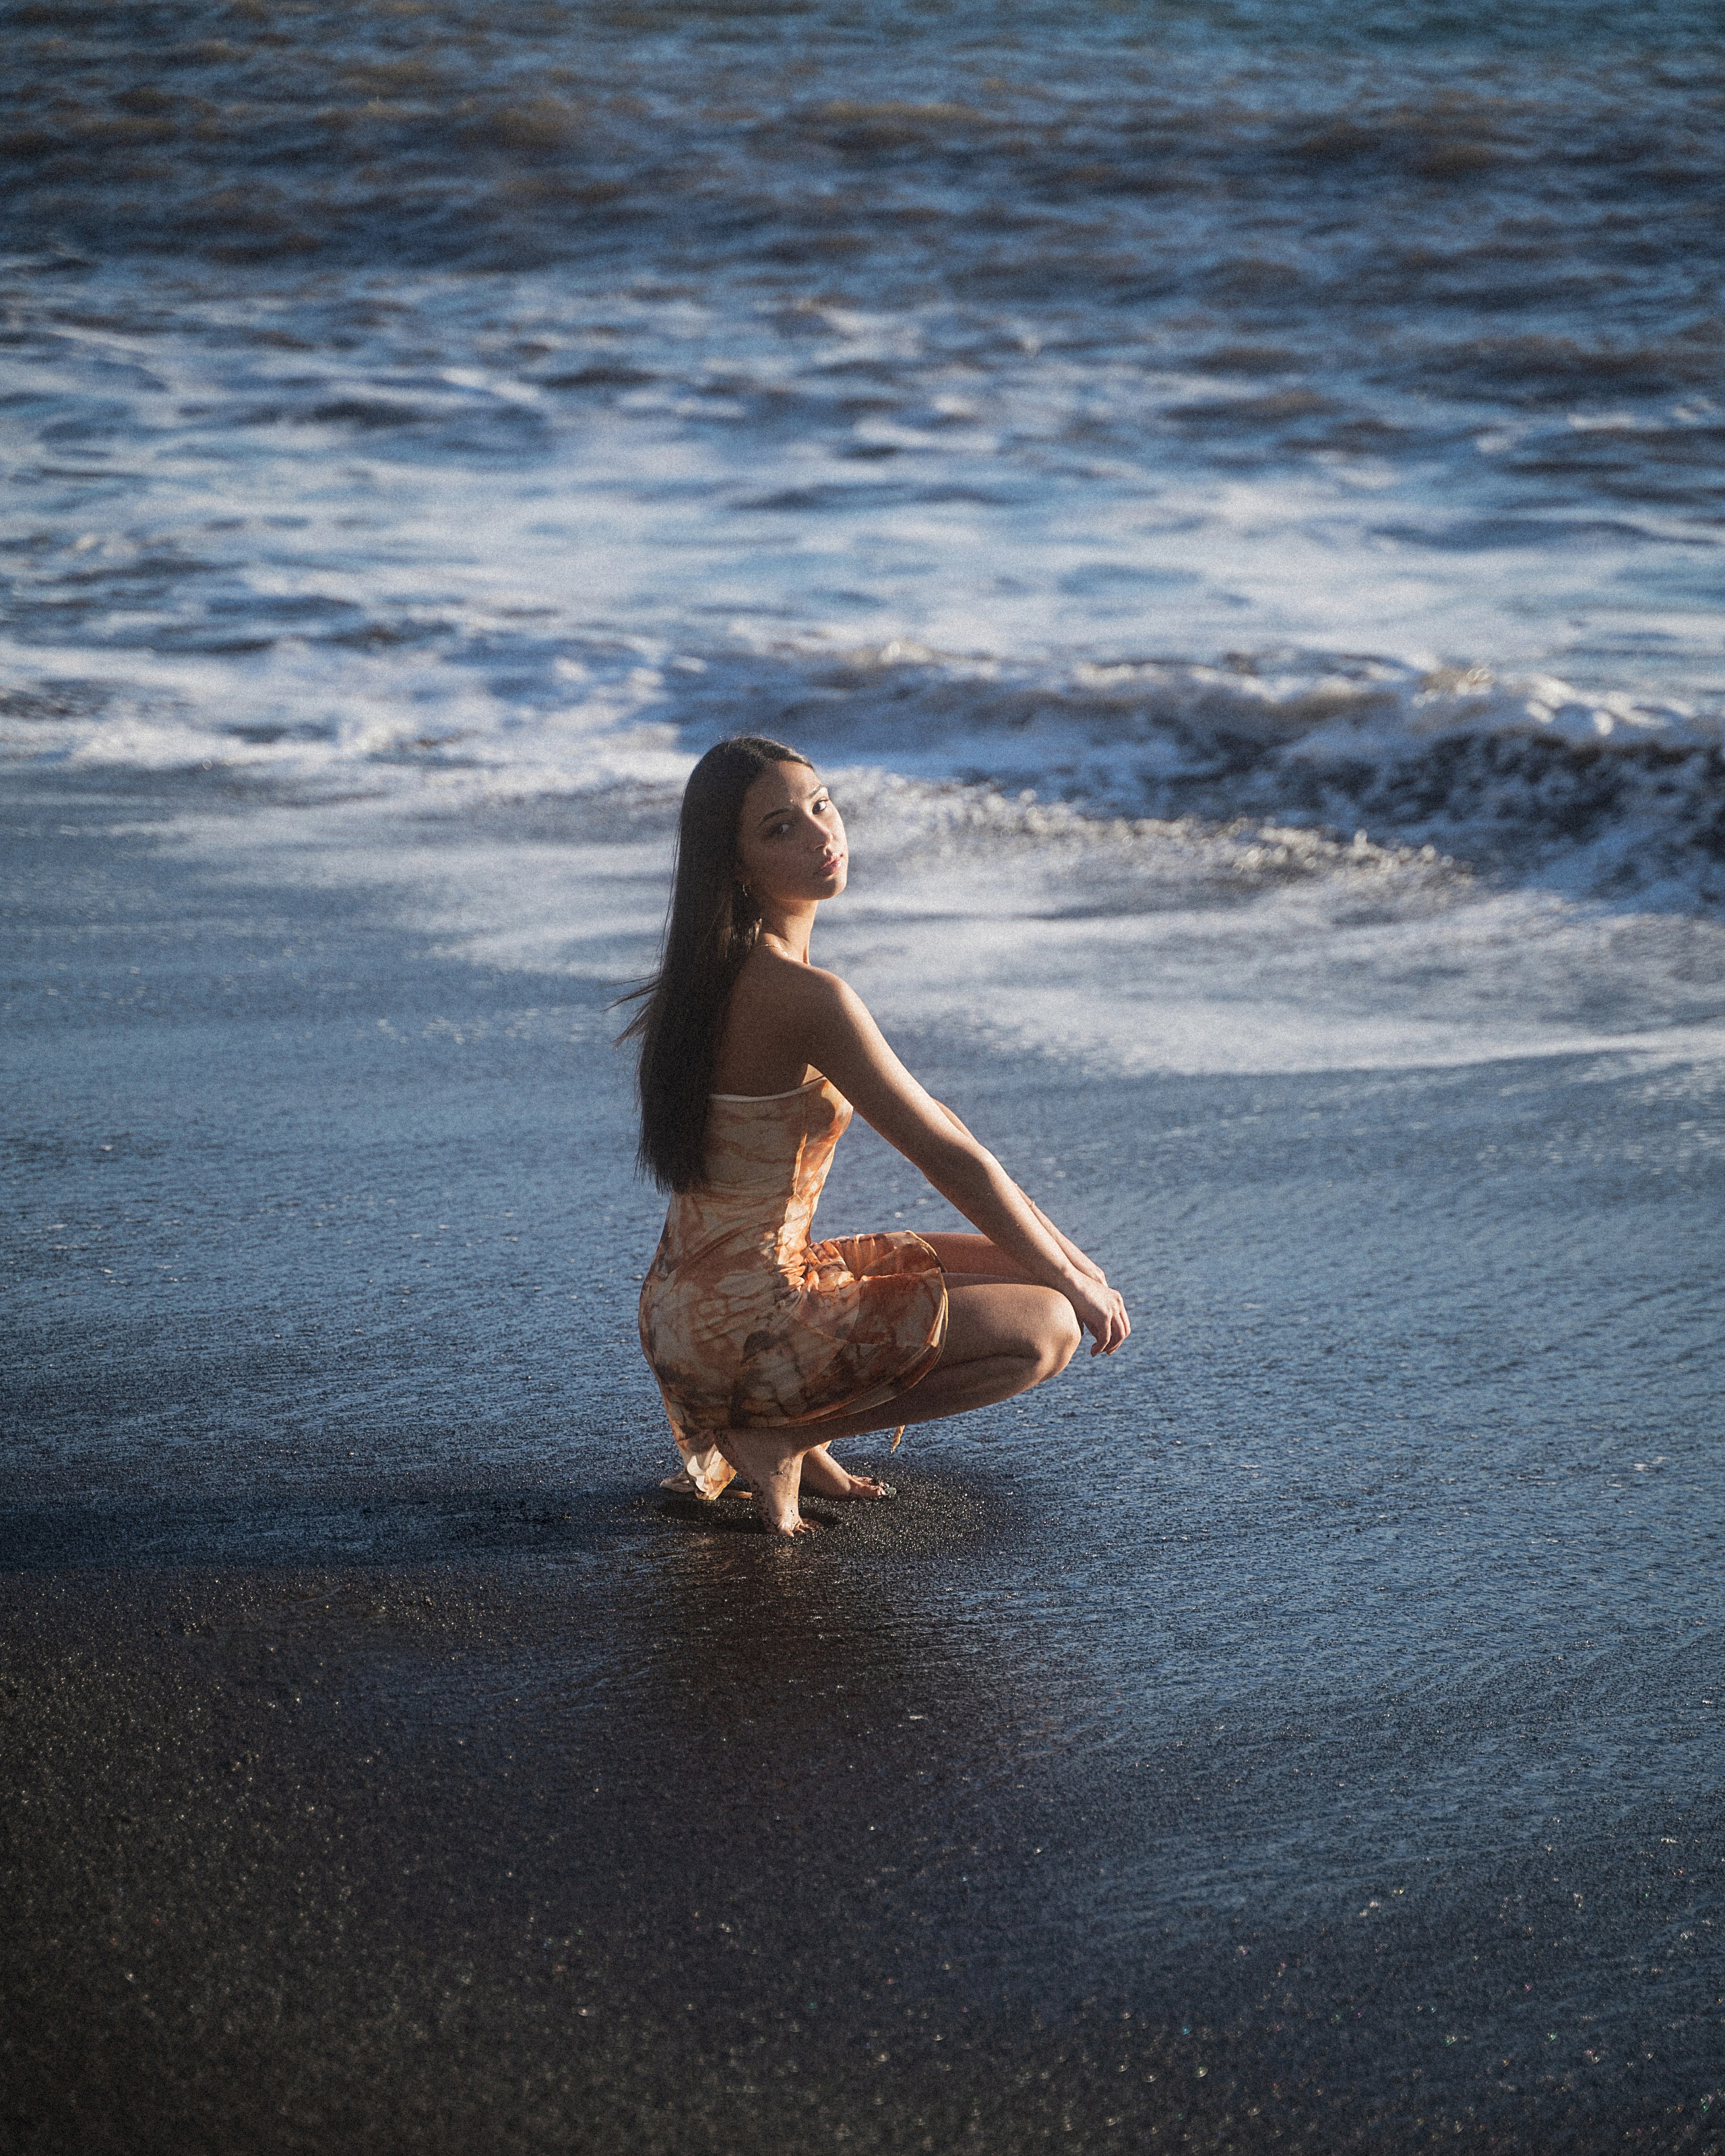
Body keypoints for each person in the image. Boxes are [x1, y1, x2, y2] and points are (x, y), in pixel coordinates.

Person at [625, 734, 1129, 1537]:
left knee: (1034, 1265)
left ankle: (790, 1420)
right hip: (747, 1318)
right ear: (736, 866)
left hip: (691, 1306)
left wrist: (1071, 1260)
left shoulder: (713, 979)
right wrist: (1072, 1287)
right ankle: (780, 1428)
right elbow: (943, 1154)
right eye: (780, 828)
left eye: (821, 805)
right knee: (1048, 1329)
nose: (822, 835)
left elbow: (943, 1120)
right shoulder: (801, 995)